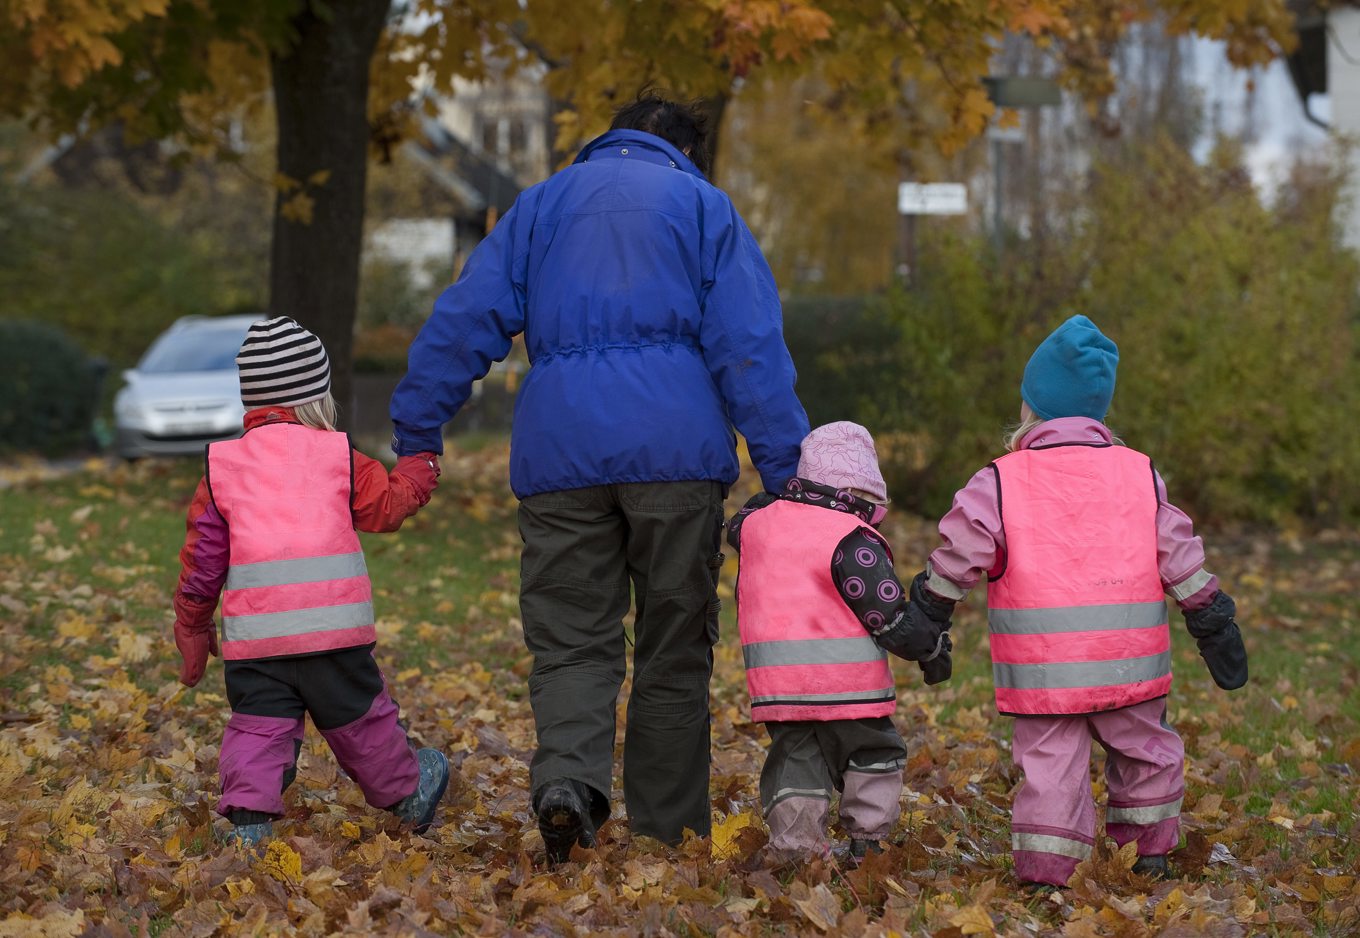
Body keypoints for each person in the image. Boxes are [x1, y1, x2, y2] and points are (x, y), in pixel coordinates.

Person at [389, 92, 810, 861]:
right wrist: (789, 475)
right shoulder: (704, 208)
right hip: (678, 460)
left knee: (572, 642)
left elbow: (464, 317)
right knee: (673, 645)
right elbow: (750, 346)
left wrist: (419, 428)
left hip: (560, 457)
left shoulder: (540, 207)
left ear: (611, 136)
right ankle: (666, 834)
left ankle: (569, 784)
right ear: (683, 150)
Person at [905, 315, 1248, 887]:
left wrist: (931, 608)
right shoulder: (1139, 474)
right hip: (1128, 660)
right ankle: (1147, 853)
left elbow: (961, 549)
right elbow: (1177, 551)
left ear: (1032, 408)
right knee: (1145, 751)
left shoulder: (1000, 480)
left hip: (1044, 671)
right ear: (1097, 412)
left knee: (1051, 770)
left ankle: (1049, 872)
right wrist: (1210, 616)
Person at [172, 316, 451, 847]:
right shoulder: (339, 456)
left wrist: (192, 623)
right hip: (332, 634)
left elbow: (203, 559)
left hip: (257, 642)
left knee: (258, 726)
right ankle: (408, 795)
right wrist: (420, 468)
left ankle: (250, 826)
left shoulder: (222, 468)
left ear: (251, 401)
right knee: (361, 722)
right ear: (316, 397)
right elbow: (387, 507)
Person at [726, 422, 951, 863]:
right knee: (873, 753)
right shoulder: (851, 541)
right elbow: (890, 619)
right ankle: (867, 839)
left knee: (794, 760)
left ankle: (795, 844)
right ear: (865, 495)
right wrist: (932, 648)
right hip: (850, 687)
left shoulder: (756, 528)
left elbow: (740, 522)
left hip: (779, 688)